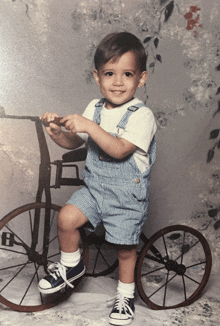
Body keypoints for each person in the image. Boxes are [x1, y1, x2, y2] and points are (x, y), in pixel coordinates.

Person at [38, 31, 157, 325]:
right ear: (97, 77)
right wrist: (57, 133)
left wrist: (88, 126)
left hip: (126, 196)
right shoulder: (94, 108)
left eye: (127, 73)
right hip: (94, 190)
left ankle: (125, 295)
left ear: (140, 79)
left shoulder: (142, 116)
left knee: (126, 249)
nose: (118, 82)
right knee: (66, 218)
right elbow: (74, 143)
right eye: (109, 73)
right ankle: (71, 266)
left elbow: (118, 150)